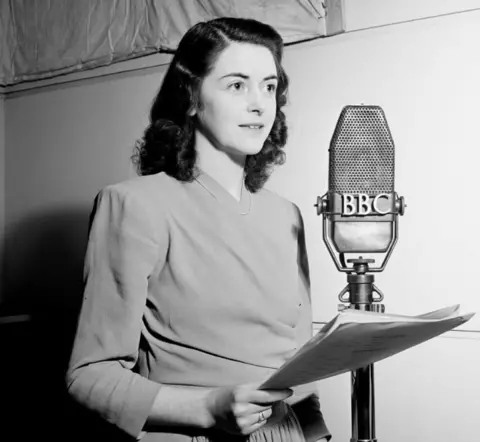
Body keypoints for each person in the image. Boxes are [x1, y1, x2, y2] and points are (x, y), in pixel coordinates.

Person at [66, 17, 331, 442]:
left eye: (269, 86)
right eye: (237, 85)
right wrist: (208, 408)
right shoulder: (133, 204)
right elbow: (89, 375)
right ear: (191, 96)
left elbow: (299, 362)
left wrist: (315, 434)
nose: (260, 104)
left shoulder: (288, 215)